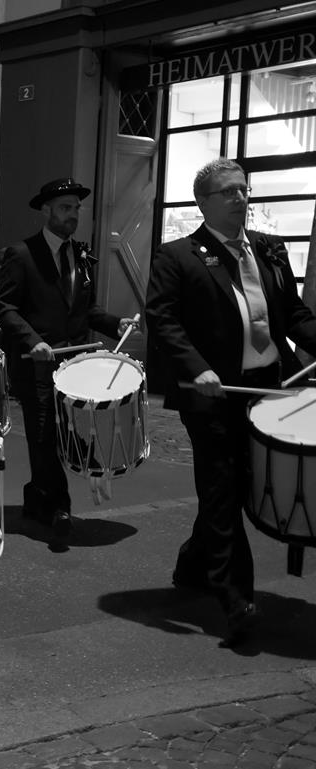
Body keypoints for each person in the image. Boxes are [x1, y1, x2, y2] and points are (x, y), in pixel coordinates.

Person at [146, 158, 316, 643]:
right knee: (221, 486)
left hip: (267, 387)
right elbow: (162, 318)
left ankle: (193, 562)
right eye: (227, 192)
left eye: (243, 189)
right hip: (213, 391)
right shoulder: (177, 256)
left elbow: (293, 313)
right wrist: (194, 366)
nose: (240, 198)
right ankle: (236, 598)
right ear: (203, 202)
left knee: (239, 485)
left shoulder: (269, 249)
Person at [0, 178, 136, 541]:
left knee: (66, 431)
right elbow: (5, 308)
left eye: (76, 208)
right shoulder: (22, 253)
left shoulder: (81, 255)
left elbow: (86, 310)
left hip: (73, 365)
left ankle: (38, 497)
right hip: (36, 362)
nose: (73, 214)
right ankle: (58, 505)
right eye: (65, 208)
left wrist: (114, 323)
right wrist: (34, 340)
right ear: (46, 211)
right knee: (43, 434)